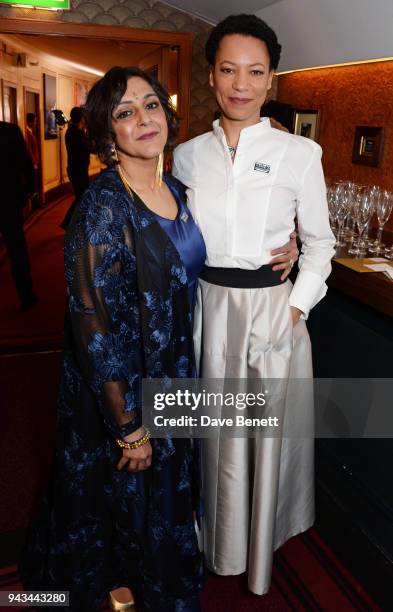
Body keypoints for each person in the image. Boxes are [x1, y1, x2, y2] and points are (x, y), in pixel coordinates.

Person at [20, 67, 205, 612]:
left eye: (151, 105)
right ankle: (119, 593)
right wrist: (128, 429)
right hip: (119, 390)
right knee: (120, 500)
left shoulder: (175, 188)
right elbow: (92, 326)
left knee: (161, 496)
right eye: (126, 112)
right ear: (107, 134)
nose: (144, 119)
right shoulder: (101, 208)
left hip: (171, 372)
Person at [173, 14, 335, 596]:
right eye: (228, 69)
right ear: (211, 77)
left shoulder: (299, 154)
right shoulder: (186, 156)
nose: (241, 83)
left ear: (271, 80)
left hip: (273, 314)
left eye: (256, 71)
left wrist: (292, 312)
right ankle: (207, 538)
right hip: (207, 312)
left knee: (264, 440)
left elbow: (320, 246)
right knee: (210, 438)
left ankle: (257, 552)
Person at [0, 120, 37, 310]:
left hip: (9, 198)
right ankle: (26, 294)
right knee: (16, 249)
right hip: (8, 198)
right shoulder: (10, 131)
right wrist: (31, 189)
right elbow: (25, 161)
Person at [61, 107, 91, 229]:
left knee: (81, 196)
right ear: (81, 118)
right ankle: (68, 223)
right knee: (82, 197)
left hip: (76, 168)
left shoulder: (72, 130)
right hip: (78, 170)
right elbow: (88, 147)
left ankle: (71, 223)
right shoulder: (76, 133)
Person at [25, 112, 41, 209]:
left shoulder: (30, 132)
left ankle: (35, 204)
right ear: (30, 122)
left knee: (34, 183)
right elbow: (29, 150)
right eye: (35, 121)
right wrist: (34, 162)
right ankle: (34, 205)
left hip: (34, 162)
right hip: (32, 163)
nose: (36, 123)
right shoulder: (27, 133)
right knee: (32, 184)